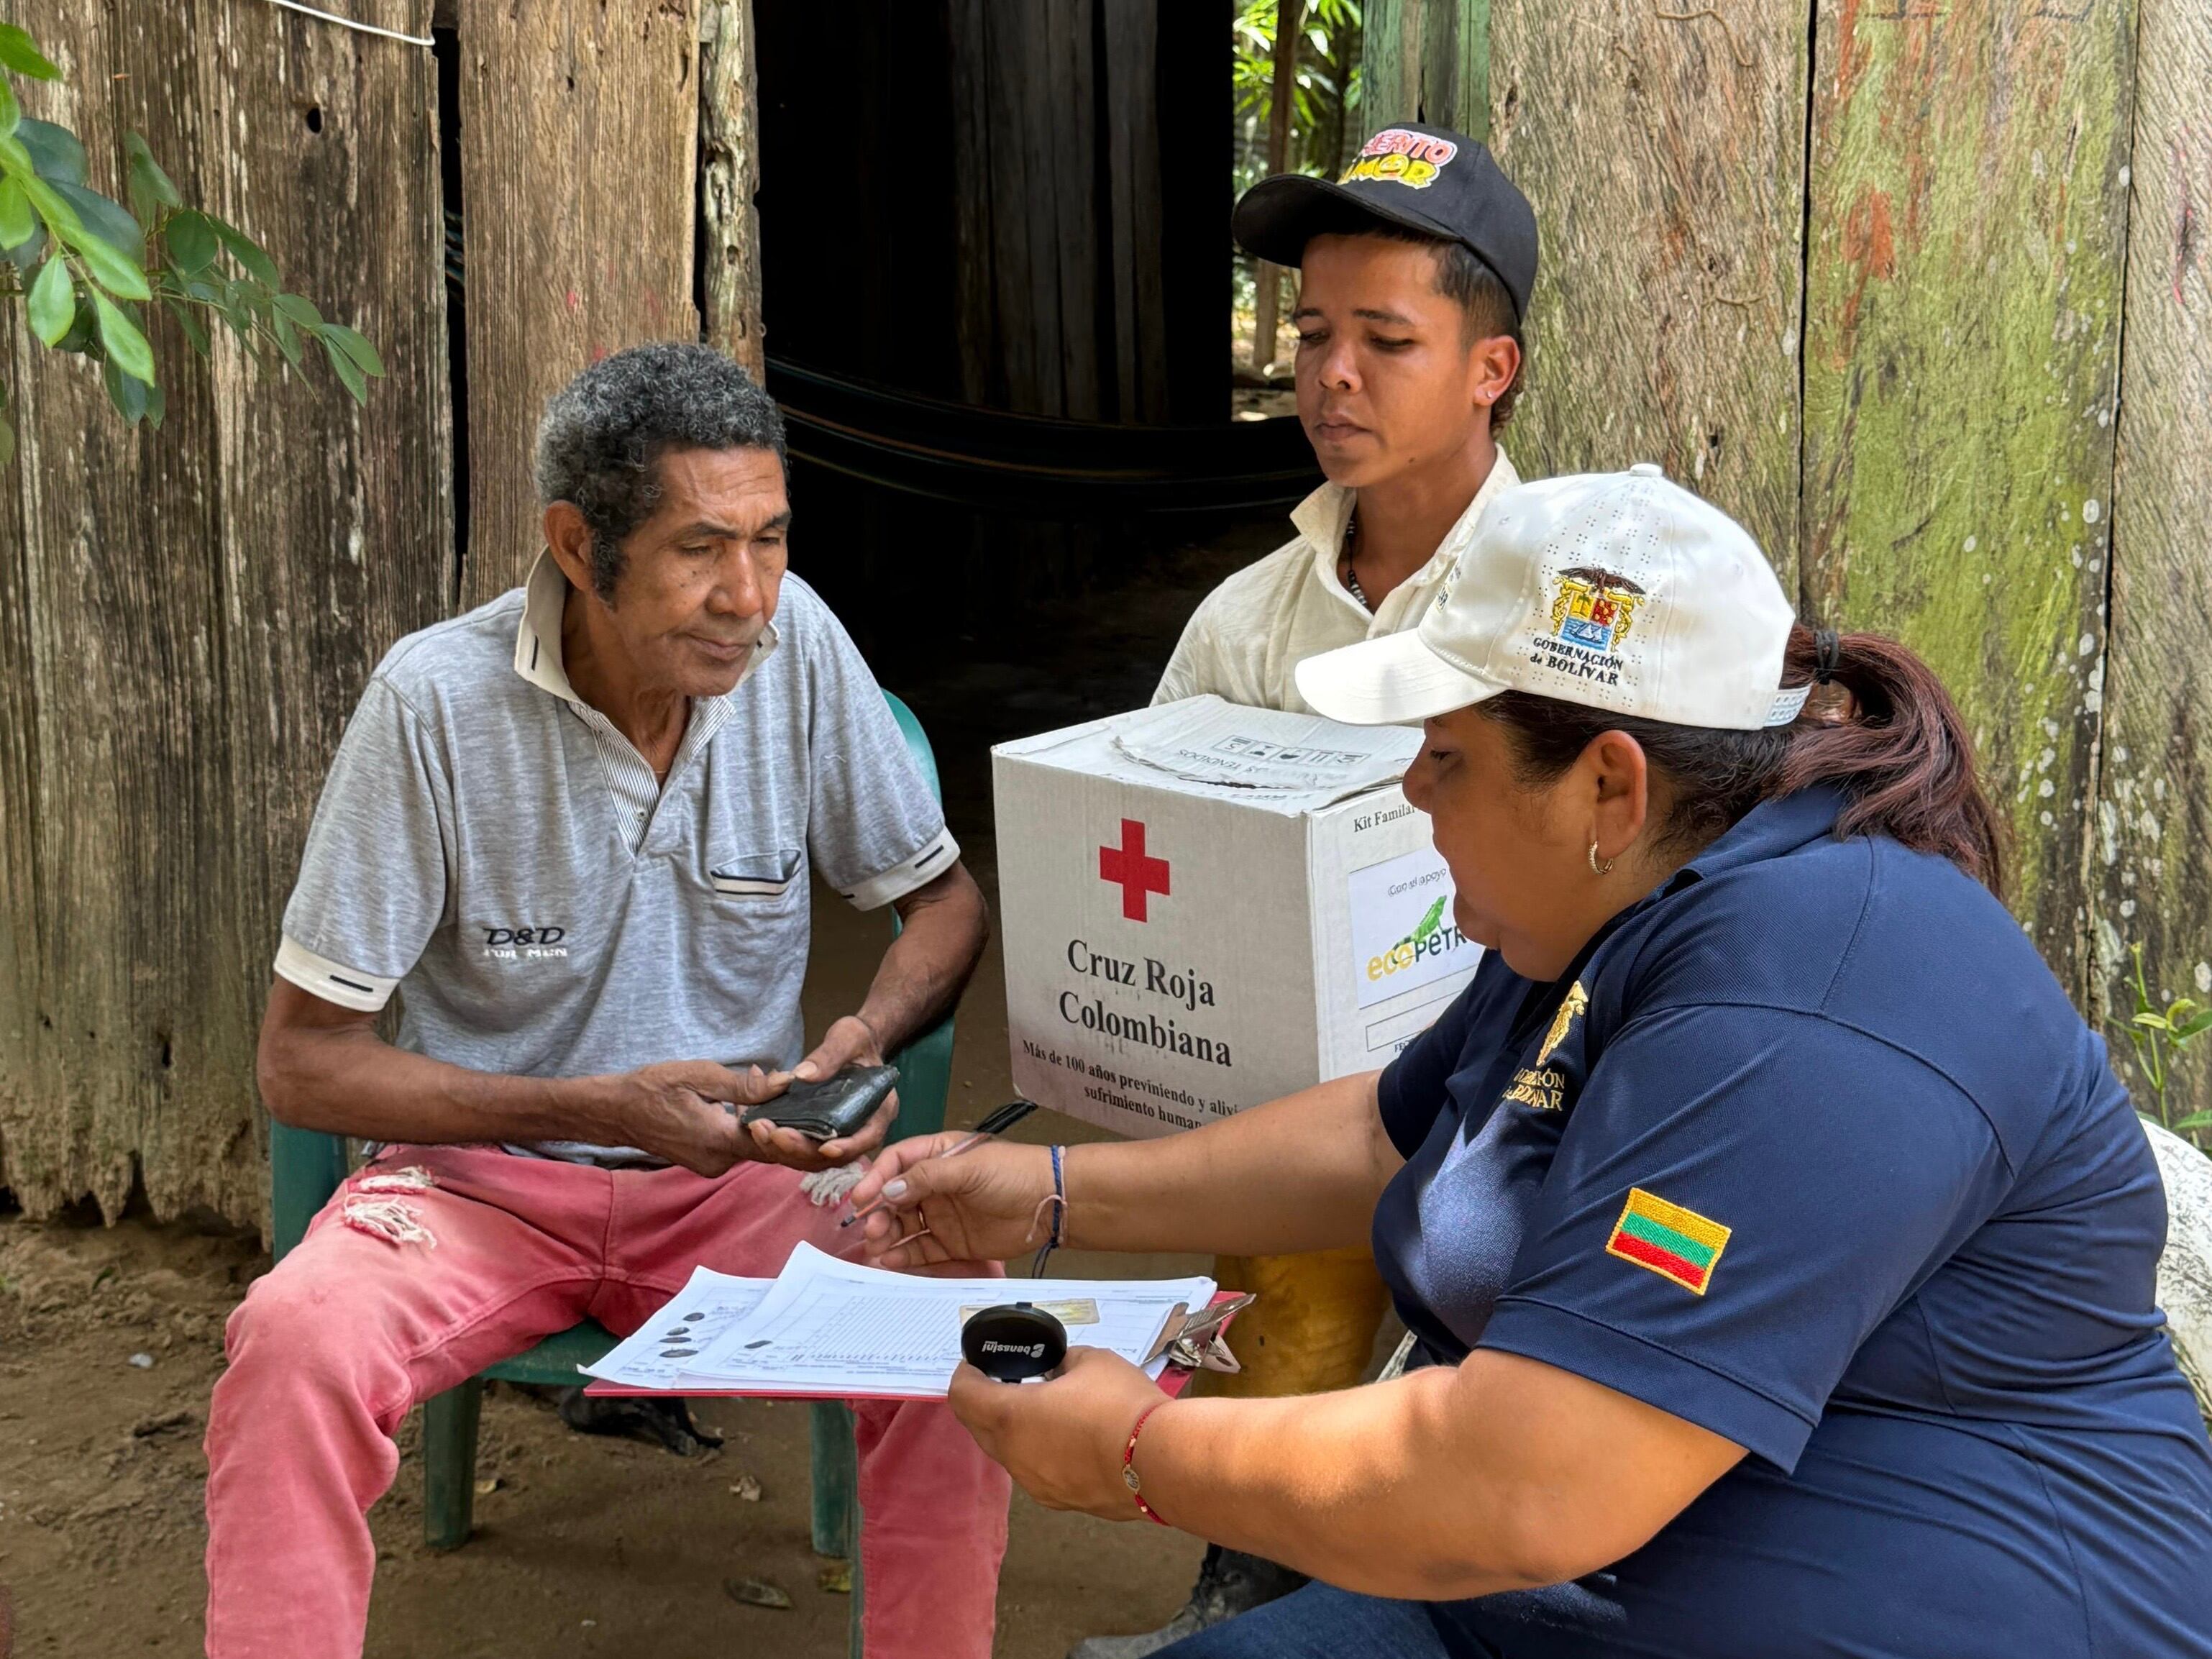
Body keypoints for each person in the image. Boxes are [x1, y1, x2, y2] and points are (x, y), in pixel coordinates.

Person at [852, 467, 2212, 1658]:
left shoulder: (1811, 996)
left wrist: (1137, 1454)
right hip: (1548, 1601)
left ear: (1609, 786)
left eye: (1446, 755)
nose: (1412, 789)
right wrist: (1048, 1194)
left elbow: (1527, 1484)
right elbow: (1390, 1138)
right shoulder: (1606, 911)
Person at [201, 344, 1010, 1659]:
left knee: (958, 1318)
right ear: (580, 547)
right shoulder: (432, 703)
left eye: (769, 540)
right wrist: (593, 1109)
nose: (747, 596)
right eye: (700, 549)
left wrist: (861, 1043)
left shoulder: (797, 645)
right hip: (478, 1192)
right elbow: (303, 1065)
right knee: (296, 1342)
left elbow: (945, 904)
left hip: (741, 1182)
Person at [1112, 122, 1537, 1650]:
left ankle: (1306, 1587)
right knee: (1278, 1260)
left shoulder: (1560, 605)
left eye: (1385, 340)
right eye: (1309, 336)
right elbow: (1146, 844)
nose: (1331, 376)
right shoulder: (1248, 623)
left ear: (1488, 369)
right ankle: (1246, 1580)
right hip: (1298, 1094)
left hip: (1523, 1087)